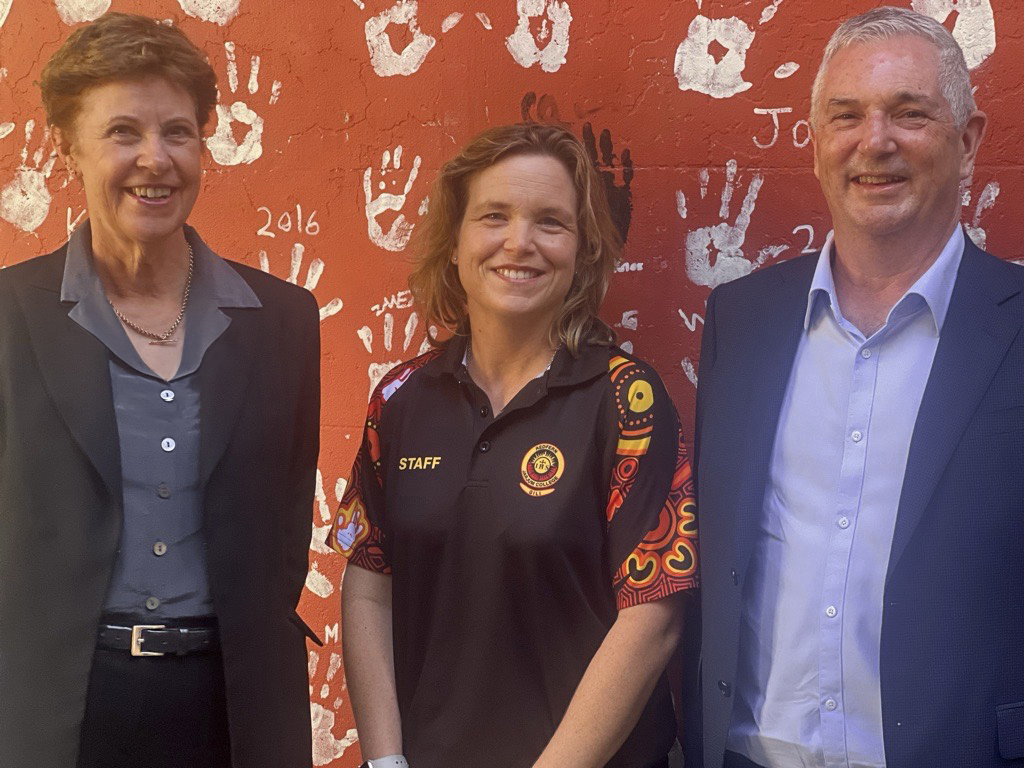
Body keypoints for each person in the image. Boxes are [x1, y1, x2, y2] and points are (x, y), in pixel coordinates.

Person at [683, 6, 1024, 768]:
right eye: (847, 116)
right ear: (815, 143)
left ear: (968, 142)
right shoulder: (739, 320)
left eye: (910, 113)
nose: (875, 142)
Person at [0, 13, 321, 768]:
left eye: (179, 131)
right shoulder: (9, 316)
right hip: (55, 711)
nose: (156, 159)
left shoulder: (283, 319)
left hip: (236, 710)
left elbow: (284, 534)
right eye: (122, 133)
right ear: (66, 148)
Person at [329, 122, 699, 768]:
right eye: (493, 216)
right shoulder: (400, 400)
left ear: (583, 253)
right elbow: (368, 582)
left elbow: (654, 616)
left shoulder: (626, 402)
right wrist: (385, 760)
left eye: (550, 222)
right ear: (454, 243)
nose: (519, 242)